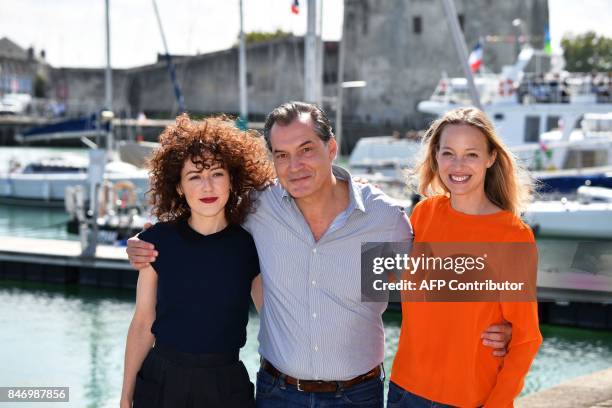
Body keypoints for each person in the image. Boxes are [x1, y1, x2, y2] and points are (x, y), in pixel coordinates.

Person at [127, 102, 512, 408]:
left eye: (306, 150)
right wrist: (144, 242)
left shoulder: (384, 220)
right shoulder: (259, 210)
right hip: (277, 393)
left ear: (331, 148)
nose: (295, 166)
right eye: (281, 155)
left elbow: (429, 283)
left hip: (357, 397)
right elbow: (202, 210)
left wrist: (503, 323)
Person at [388, 107, 542, 407]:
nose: (458, 165)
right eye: (448, 153)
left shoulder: (512, 237)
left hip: (468, 399)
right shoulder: (424, 214)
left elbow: (526, 339)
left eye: (471, 154)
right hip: (403, 390)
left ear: (490, 158)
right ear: (436, 157)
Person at [119, 114, 274, 408]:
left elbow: (272, 318)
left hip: (226, 386)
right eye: (194, 176)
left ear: (232, 180)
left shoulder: (250, 245)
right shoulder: (157, 241)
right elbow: (142, 323)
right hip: (161, 383)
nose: (207, 186)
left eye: (217, 173)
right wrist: (126, 396)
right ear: (178, 186)